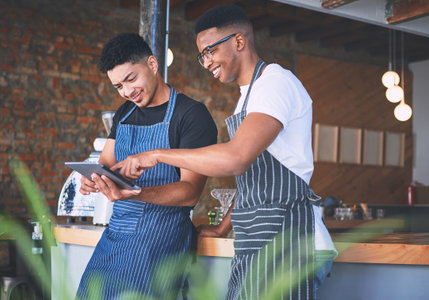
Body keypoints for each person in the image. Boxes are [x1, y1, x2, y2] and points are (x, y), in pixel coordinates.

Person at [113, 5, 337, 300]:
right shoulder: (249, 97)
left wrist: (158, 154)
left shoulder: (275, 82)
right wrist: (222, 228)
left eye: (210, 51)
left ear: (239, 42)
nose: (205, 63)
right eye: (202, 55)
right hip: (258, 240)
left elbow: (236, 158)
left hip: (288, 242)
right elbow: (255, 181)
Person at [75, 33, 217, 300]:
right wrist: (93, 179)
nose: (127, 92)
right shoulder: (123, 113)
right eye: (118, 86)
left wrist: (137, 193)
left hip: (160, 240)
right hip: (116, 233)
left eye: (131, 79)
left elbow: (190, 192)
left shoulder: (190, 115)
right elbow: (105, 163)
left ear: (152, 64)